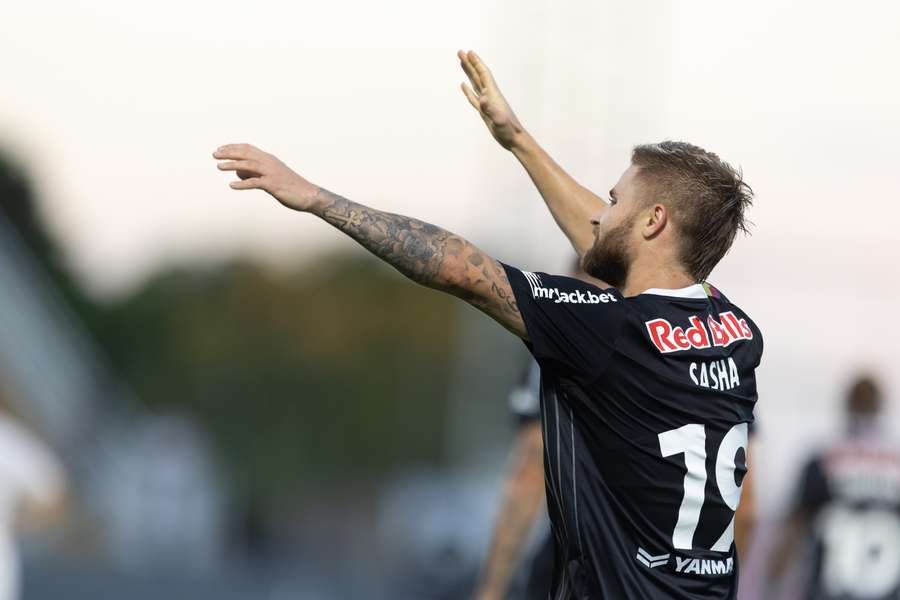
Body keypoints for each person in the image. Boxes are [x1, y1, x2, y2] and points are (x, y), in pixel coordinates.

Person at [212, 48, 760, 599]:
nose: (599, 213)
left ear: (653, 220)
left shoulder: (608, 328)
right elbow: (617, 249)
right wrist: (518, 140)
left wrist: (314, 198)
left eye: (615, 200)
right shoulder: (736, 332)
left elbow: (458, 267)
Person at [766, 376, 900, 600]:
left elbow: (791, 533)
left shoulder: (821, 462)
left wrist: (770, 586)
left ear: (846, 406)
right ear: (881, 408)